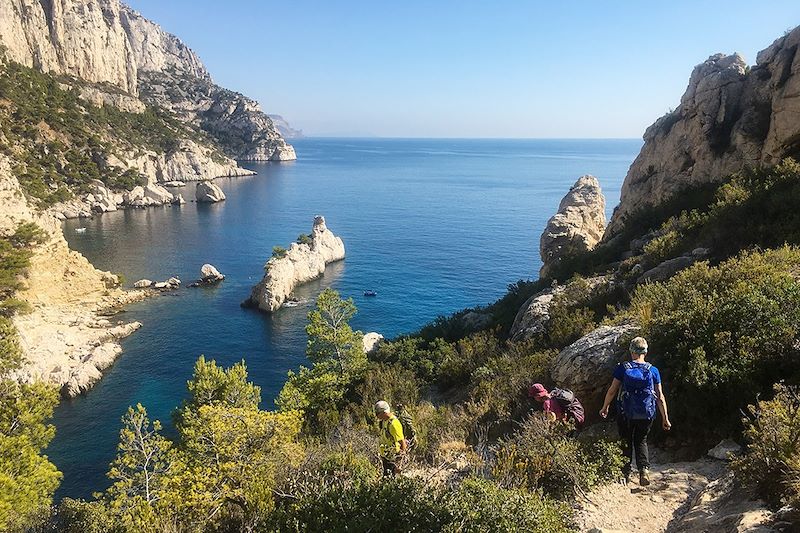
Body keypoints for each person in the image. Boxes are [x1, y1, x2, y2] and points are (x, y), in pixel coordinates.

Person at [599, 337, 671, 486]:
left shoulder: (623, 368)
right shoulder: (653, 371)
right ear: (645, 351)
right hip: (646, 412)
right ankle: (644, 471)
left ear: (632, 351)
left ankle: (624, 474)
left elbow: (612, 390)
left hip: (625, 412)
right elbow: (660, 396)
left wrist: (605, 406)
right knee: (641, 440)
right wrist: (665, 418)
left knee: (625, 440)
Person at [375, 400, 407, 476]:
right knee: (386, 481)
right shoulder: (384, 421)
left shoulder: (394, 424)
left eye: (377, 413)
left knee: (392, 481)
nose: (376, 416)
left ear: (384, 412)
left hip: (393, 458)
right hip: (386, 457)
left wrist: (399, 464)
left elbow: (402, 443)